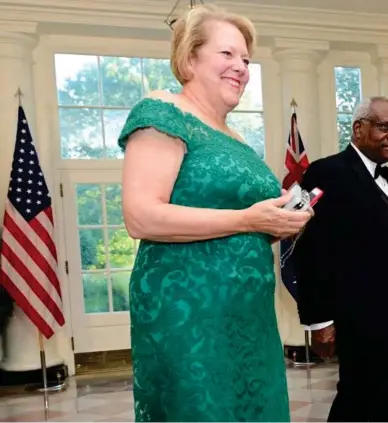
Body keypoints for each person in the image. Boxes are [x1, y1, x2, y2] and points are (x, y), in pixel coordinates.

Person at [117, 5, 312, 422]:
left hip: (249, 318)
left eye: (246, 59)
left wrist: (278, 220)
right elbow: (141, 218)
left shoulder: (237, 137)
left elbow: (243, 222)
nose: (241, 67)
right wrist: (248, 220)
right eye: (227, 54)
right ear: (189, 59)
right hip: (189, 316)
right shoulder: (163, 110)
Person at [293, 96, 388, 422]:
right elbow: (312, 250)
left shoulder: (383, 178)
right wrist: (319, 320)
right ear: (358, 128)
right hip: (356, 318)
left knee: (383, 400)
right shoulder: (328, 172)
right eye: (384, 127)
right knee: (361, 400)